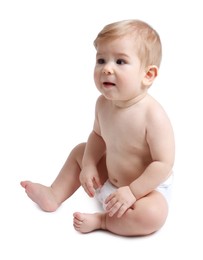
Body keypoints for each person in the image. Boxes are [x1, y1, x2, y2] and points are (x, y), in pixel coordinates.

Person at [20, 19, 175, 237]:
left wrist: (133, 191)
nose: (107, 69)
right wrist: (89, 164)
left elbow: (163, 165)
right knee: (79, 150)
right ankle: (54, 194)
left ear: (147, 75)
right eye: (101, 60)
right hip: (110, 179)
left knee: (153, 214)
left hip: (144, 191)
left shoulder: (153, 115)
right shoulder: (102, 103)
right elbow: (98, 137)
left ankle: (103, 221)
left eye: (120, 61)